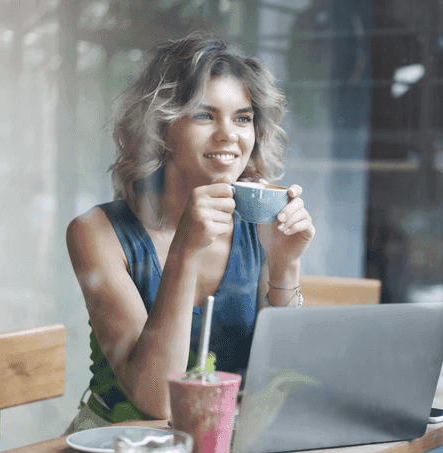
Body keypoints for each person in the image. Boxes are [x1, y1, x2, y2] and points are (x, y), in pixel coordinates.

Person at [65, 33, 315, 432]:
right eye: (204, 115)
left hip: (228, 442)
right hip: (116, 446)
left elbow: (285, 379)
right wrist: (184, 252)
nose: (229, 135)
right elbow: (157, 400)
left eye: (243, 117)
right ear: (162, 128)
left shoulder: (263, 214)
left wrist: (286, 266)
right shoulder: (96, 233)